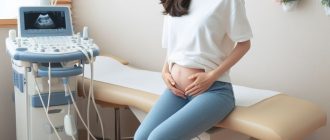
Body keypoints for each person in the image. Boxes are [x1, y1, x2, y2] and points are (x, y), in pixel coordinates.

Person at [134, 0, 252, 139]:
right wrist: (165, 71)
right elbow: (176, 45)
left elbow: (244, 44)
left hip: (214, 91)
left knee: (157, 138)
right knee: (141, 137)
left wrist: (212, 76)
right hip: (177, 91)